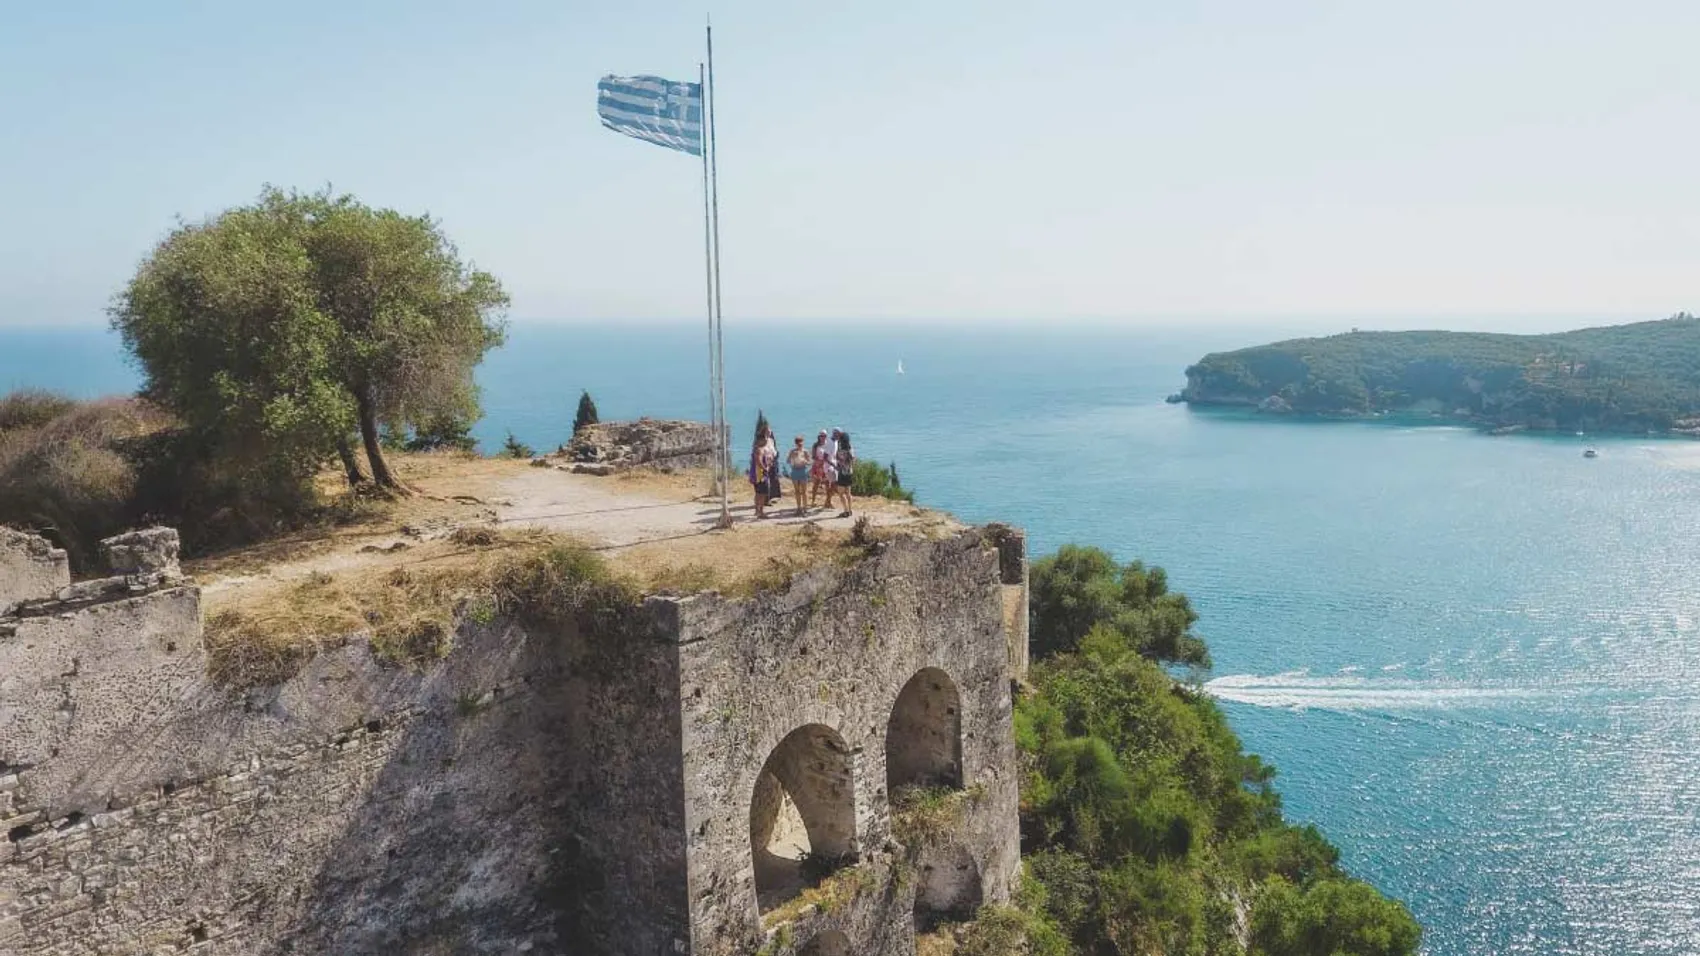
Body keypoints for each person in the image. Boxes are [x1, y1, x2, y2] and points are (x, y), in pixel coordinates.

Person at [749, 426, 776, 519]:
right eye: (764, 439)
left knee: (758, 492)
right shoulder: (759, 449)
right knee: (762, 493)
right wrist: (765, 468)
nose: (765, 441)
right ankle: (760, 511)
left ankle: (758, 510)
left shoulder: (757, 448)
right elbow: (759, 461)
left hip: (757, 473)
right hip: (760, 474)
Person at [810, 429, 836, 511]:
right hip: (818, 466)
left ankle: (828, 502)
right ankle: (813, 501)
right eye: (821, 435)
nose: (823, 437)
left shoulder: (828, 444)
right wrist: (819, 461)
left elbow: (831, 454)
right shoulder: (815, 445)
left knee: (828, 485)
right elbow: (813, 456)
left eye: (824, 436)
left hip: (826, 466)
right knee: (816, 484)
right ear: (819, 436)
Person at [785, 435, 811, 517]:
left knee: (804, 491)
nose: (800, 444)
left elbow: (810, 462)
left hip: (803, 470)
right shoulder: (792, 451)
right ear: (795, 443)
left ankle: (805, 508)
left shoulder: (805, 451)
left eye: (801, 442)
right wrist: (792, 456)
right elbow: (788, 461)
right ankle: (799, 508)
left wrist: (805, 461)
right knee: (797, 491)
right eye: (798, 443)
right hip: (795, 471)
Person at [834, 431, 856, 518]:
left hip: (842, 473)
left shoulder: (840, 451)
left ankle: (846, 511)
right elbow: (854, 460)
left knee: (841, 493)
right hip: (849, 472)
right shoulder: (851, 450)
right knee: (848, 493)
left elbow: (837, 459)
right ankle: (850, 510)